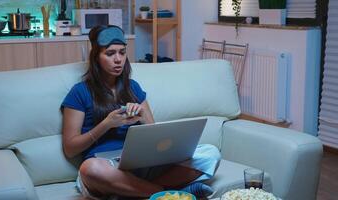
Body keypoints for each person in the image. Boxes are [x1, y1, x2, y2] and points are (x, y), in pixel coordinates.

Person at [61, 25, 221, 199]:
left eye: (122, 53)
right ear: (96, 57)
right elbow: (70, 148)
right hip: (107, 167)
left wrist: (143, 116)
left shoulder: (133, 88)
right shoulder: (79, 92)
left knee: (210, 154)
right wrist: (107, 124)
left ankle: (137, 192)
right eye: (110, 54)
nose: (118, 59)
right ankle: (169, 194)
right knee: (90, 169)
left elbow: (156, 135)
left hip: (141, 165)